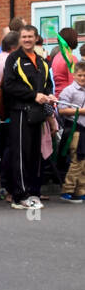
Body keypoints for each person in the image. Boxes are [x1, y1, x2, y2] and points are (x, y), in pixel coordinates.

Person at [1, 23, 54, 210]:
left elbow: (46, 85)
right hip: (20, 112)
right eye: (24, 37)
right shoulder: (13, 59)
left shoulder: (41, 61)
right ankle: (19, 195)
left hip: (37, 114)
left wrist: (48, 95)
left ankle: (32, 192)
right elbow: (8, 85)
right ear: (19, 39)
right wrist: (33, 95)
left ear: (36, 38)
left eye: (30, 37)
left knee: (34, 155)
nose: (27, 40)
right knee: (21, 154)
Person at [57, 60, 85, 202]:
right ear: (74, 75)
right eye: (80, 75)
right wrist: (80, 111)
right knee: (77, 160)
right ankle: (67, 190)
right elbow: (61, 110)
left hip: (84, 131)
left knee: (83, 162)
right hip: (75, 130)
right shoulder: (69, 91)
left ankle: (80, 190)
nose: (82, 78)